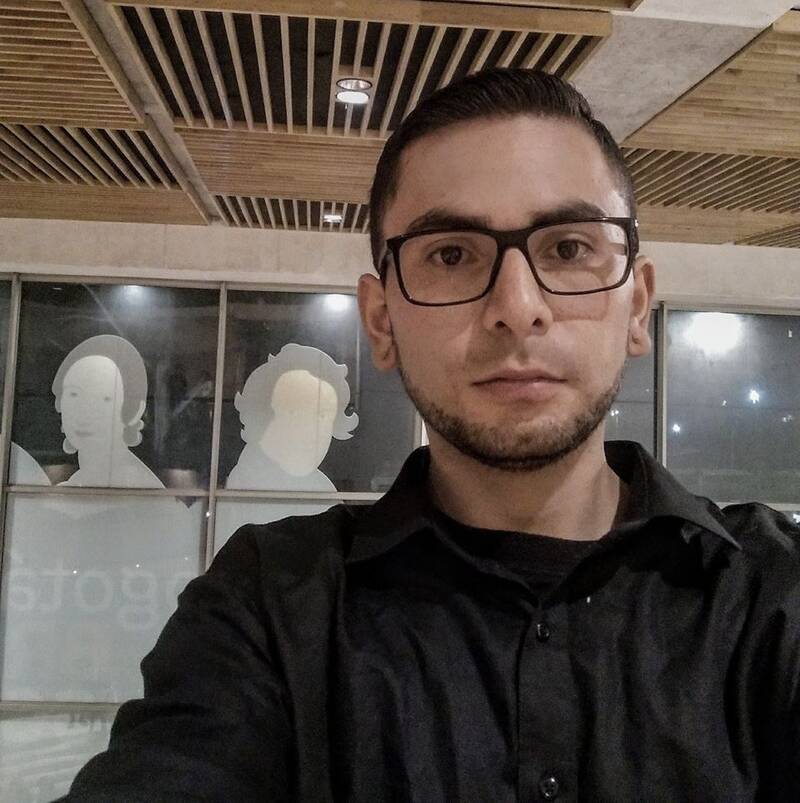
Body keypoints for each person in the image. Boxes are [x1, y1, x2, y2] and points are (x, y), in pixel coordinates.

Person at [62, 69, 799, 802]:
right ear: (381, 321)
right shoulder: (271, 607)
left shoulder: (773, 595)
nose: (518, 306)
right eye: (451, 254)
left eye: (569, 248)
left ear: (636, 306)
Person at [225, 343, 359, 492]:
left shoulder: (323, 491)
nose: (310, 431)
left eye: (322, 416)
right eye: (293, 412)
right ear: (261, 415)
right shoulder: (237, 490)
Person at [52, 335, 163, 489]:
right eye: (74, 394)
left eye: (104, 398)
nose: (85, 411)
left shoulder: (141, 489)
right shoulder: (76, 483)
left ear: (133, 411)